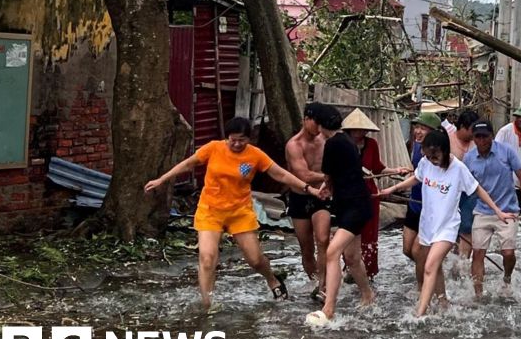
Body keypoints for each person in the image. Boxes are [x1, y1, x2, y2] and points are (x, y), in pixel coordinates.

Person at [145, 117, 316, 308]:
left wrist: (308, 188)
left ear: (249, 139)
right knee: (207, 258)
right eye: (232, 139)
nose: (236, 144)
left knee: (255, 259)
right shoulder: (214, 148)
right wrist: (161, 179)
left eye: (241, 140)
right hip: (210, 210)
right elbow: (188, 164)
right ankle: (207, 303)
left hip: (239, 212)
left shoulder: (255, 155)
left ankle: (272, 279)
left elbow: (281, 174)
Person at [380, 129, 514, 316]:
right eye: (428, 156)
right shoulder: (426, 163)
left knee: (429, 266)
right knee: (435, 267)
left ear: (444, 150)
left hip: (447, 227)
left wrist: (497, 211)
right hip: (428, 225)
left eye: (435, 156)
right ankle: (443, 301)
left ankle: (420, 313)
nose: (432, 160)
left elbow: (478, 189)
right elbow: (416, 178)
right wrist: (392, 189)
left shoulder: (458, 168)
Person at [306, 104, 375, 324]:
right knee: (352, 257)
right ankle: (367, 295)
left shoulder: (333, 144)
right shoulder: (346, 140)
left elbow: (328, 176)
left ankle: (329, 308)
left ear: (320, 125)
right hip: (352, 204)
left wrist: (327, 188)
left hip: (354, 206)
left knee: (332, 252)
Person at [341, 108, 411, 281]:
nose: (361, 132)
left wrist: (396, 170)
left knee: (370, 233)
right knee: (350, 233)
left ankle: (369, 271)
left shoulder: (371, 144)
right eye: (357, 129)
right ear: (349, 130)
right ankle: (350, 266)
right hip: (349, 195)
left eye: (363, 129)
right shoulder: (341, 145)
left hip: (370, 194)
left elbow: (378, 168)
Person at [463, 120, 521, 297]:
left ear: (492, 136)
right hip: (482, 211)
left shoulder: (506, 152)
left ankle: (507, 278)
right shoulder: (469, 158)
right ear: (473, 138)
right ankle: (478, 294)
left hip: (508, 209)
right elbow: (463, 185)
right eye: (478, 137)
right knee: (477, 253)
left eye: (485, 136)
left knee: (507, 253)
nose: (482, 141)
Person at [284, 103, 331, 294]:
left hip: (322, 196)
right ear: (305, 119)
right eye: (316, 123)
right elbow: (304, 175)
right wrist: (330, 176)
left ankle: (324, 283)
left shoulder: (326, 140)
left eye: (322, 124)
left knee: (322, 239)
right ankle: (314, 281)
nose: (319, 128)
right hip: (300, 197)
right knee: (306, 247)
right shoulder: (294, 145)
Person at [403, 111, 442, 289]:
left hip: (429, 209)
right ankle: (432, 268)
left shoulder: (439, 154)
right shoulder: (417, 146)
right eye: (416, 127)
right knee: (407, 250)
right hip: (414, 203)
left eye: (423, 128)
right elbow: (419, 173)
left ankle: (423, 289)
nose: (417, 131)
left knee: (417, 251)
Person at [447, 110, 480, 260]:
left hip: (470, 191)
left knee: (467, 226)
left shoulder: (477, 142)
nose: (474, 134)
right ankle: (453, 255)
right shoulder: (447, 139)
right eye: (471, 130)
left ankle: (463, 261)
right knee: (450, 227)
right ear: (462, 127)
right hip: (450, 190)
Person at [494, 105, 521, 207]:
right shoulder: (505, 132)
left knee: (516, 215)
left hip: (520, 184)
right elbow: (495, 155)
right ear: (516, 118)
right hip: (503, 185)